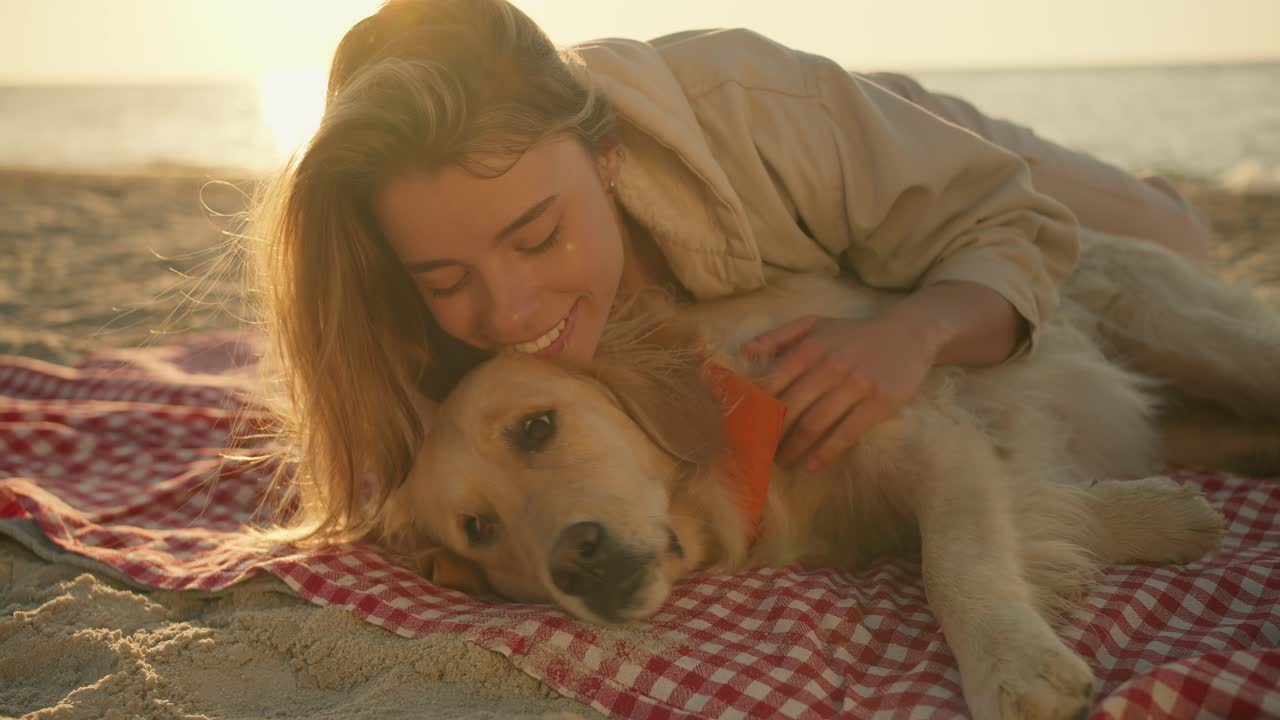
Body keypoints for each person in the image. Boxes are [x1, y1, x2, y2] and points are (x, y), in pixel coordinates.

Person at [249, 0, 1213, 544]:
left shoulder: (751, 99)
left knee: (1176, 250)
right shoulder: (386, 282)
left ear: (608, 160)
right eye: (445, 275)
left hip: (904, 158)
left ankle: (1157, 192)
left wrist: (908, 336)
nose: (506, 311)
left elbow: (1012, 225)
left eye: (539, 238)